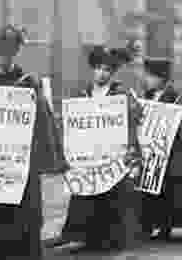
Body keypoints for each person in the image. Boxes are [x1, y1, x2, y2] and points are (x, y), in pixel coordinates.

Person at [0, 24, 68, 260]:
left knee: (22, 218)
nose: (4, 58)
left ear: (15, 54)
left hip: (22, 162)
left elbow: (44, 122)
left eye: (8, 53)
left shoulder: (29, 84)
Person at [56, 45, 145, 251]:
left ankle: (111, 237)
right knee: (88, 192)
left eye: (106, 70)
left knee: (112, 193)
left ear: (112, 73)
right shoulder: (82, 92)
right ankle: (87, 236)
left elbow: (137, 115)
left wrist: (129, 109)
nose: (101, 73)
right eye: (98, 68)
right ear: (92, 69)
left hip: (113, 154)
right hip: (88, 153)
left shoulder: (120, 92)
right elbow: (71, 122)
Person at [138, 58, 182, 240]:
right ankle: (148, 223)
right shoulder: (146, 96)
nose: (147, 80)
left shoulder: (176, 98)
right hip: (150, 151)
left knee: (168, 189)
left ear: (162, 78)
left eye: (151, 76)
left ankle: (165, 225)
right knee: (148, 187)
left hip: (170, 153)